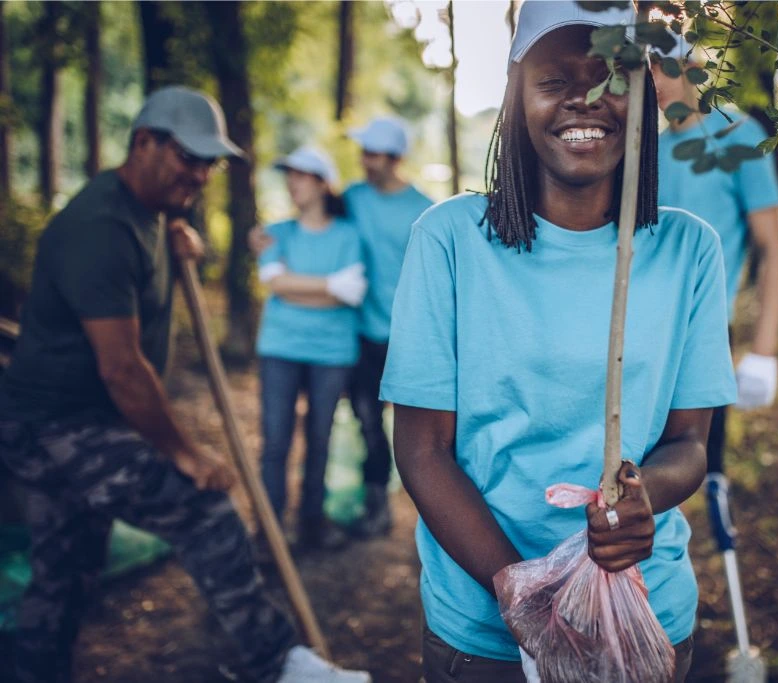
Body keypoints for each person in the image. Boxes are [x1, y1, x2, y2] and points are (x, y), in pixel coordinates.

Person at [379, 3, 737, 682]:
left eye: (609, 75)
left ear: (641, 95)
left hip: (644, 616)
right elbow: (422, 448)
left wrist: (646, 498)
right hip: (485, 629)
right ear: (516, 98)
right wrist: (518, 588)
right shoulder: (449, 240)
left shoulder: (690, 250)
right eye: (554, 79)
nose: (584, 99)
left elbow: (690, 441)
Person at [0, 87, 370, 683]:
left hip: (76, 419)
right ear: (142, 141)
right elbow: (122, 369)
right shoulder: (97, 227)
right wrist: (182, 452)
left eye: (209, 162)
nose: (199, 174)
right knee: (202, 504)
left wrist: (176, 233)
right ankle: (277, 662)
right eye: (187, 157)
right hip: (54, 426)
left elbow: (158, 225)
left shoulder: (146, 209)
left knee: (64, 571)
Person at [652, 36, 778, 482]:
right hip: (645, 330)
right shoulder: (645, 152)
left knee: (700, 470)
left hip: (706, 332)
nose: (655, 80)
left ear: (692, 67)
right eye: (644, 69)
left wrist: (764, 351)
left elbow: (774, 249)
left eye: (664, 66)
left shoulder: (739, 134)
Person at [256, 145, 367, 550]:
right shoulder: (275, 232)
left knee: (319, 440)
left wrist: (294, 286)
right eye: (289, 175)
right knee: (275, 443)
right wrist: (328, 286)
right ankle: (267, 534)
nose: (292, 183)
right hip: (279, 348)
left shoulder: (348, 234)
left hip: (332, 352)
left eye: (301, 175)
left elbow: (352, 292)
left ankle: (311, 526)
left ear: (323, 183)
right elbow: (274, 281)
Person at [343, 118, 433, 538]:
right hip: (361, 334)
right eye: (363, 153)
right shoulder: (351, 199)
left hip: (411, 340)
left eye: (373, 154)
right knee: (366, 421)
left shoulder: (425, 209)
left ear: (395, 158)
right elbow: (311, 223)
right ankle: (376, 505)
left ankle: (436, 512)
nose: (365, 161)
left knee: (419, 432)